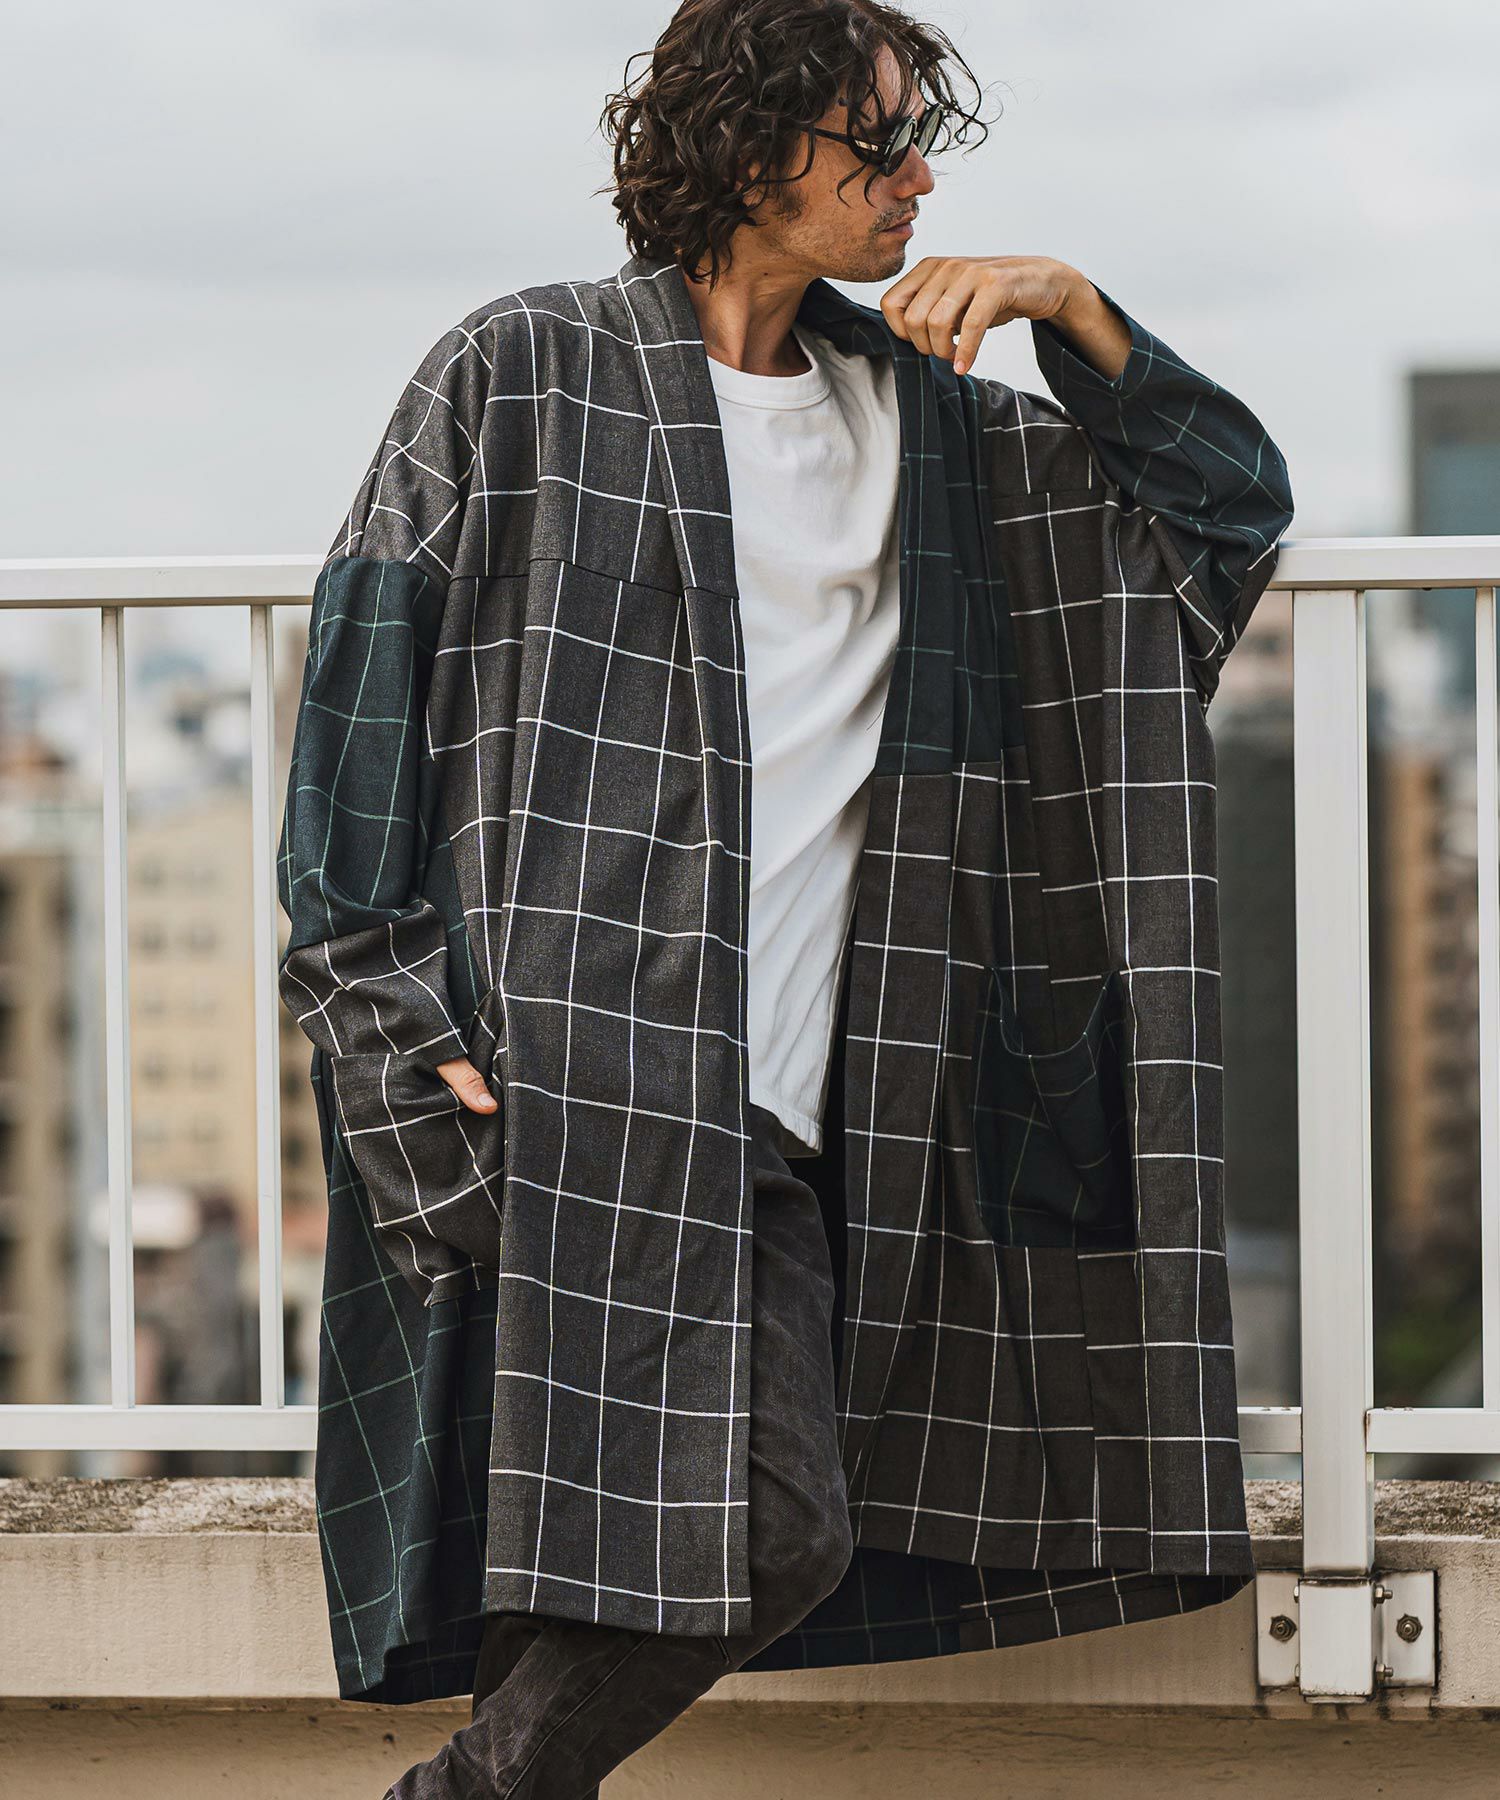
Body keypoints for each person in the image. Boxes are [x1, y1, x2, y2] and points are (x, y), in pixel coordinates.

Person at [274, 1, 1291, 1791]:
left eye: (922, 145)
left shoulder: (935, 425)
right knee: (704, 1530)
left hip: (833, 1097)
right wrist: (385, 1027)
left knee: (750, 1527)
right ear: (749, 153)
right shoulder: (520, 370)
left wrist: (1072, 308)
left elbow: (1219, 520)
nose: (918, 183)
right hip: (581, 1083)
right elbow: (361, 700)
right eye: (877, 144)